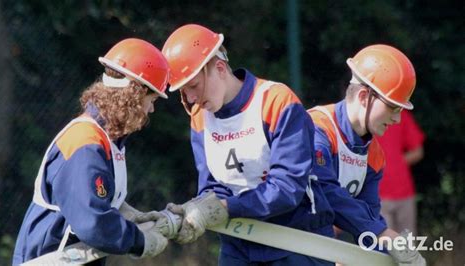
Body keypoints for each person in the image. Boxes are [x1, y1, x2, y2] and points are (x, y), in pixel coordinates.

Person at [161, 24, 335, 265]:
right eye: (183, 91)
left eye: (193, 86)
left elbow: (286, 188)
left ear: (220, 68)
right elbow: (212, 187)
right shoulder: (200, 117)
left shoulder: (276, 101)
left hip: (297, 241)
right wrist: (193, 212)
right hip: (239, 245)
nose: (191, 99)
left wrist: (224, 208)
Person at [13, 38, 171, 265]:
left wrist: (130, 216)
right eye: (151, 99)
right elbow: (93, 222)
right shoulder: (85, 143)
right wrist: (140, 240)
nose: (151, 109)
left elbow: (94, 199)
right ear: (134, 95)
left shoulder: (107, 140)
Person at [308, 44, 425, 265]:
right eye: (393, 107)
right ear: (364, 96)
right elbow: (324, 189)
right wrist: (384, 235)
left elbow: (369, 217)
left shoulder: (375, 155)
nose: (397, 119)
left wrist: (377, 255)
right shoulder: (317, 128)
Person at [378, 110, 425, 235]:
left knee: (407, 248)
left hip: (404, 192)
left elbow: (417, 151)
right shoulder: (367, 116)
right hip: (377, 195)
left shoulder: (401, 115)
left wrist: (396, 163)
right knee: (384, 248)